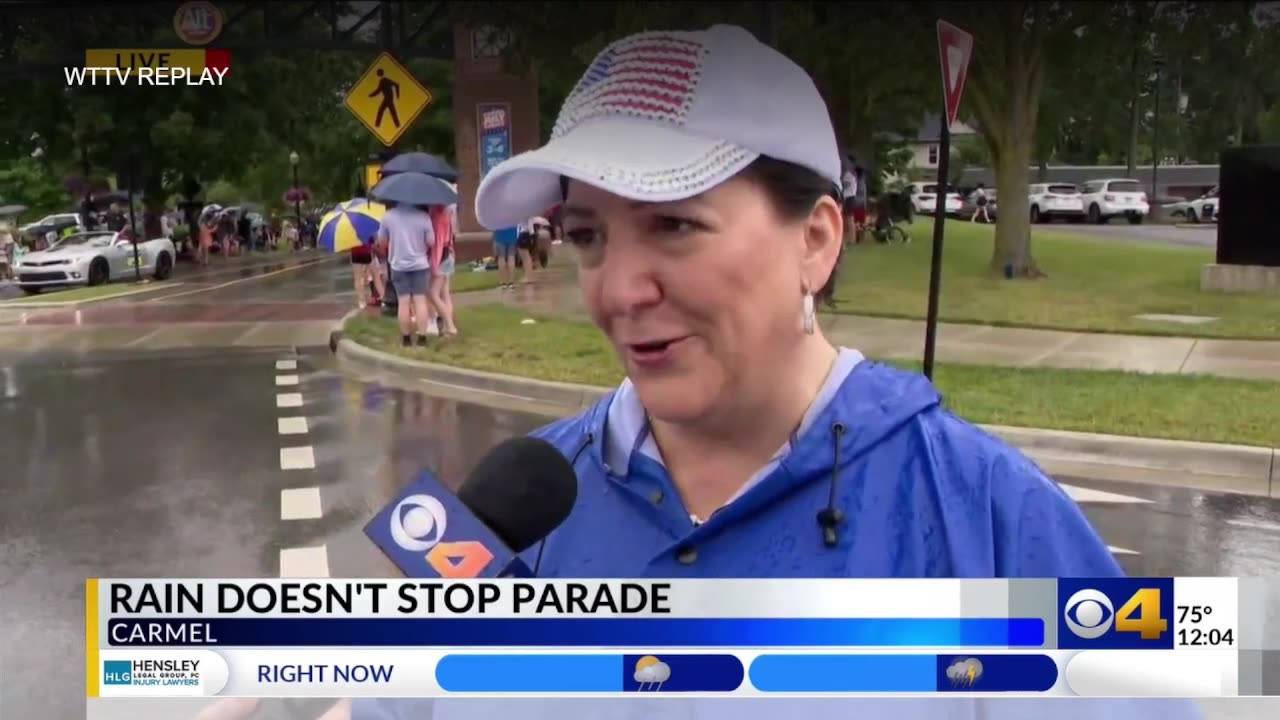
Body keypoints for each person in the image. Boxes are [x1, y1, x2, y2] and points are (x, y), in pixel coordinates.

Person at [377, 201, 434, 347]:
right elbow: (431, 242)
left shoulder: (388, 217)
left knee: (403, 302)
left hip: (398, 265)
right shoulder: (423, 217)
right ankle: (422, 338)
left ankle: (406, 338)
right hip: (420, 264)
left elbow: (382, 241)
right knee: (420, 300)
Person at [428, 185, 459, 336]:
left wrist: (434, 266)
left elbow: (437, 244)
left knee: (433, 293)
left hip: (441, 257)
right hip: (449, 254)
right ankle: (448, 326)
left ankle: (450, 325)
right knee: (445, 292)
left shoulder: (437, 217)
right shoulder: (449, 213)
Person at [491, 225, 519, 289]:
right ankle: (511, 282)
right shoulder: (513, 214)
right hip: (512, 234)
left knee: (501, 258)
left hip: (499, 235)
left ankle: (503, 283)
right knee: (511, 257)